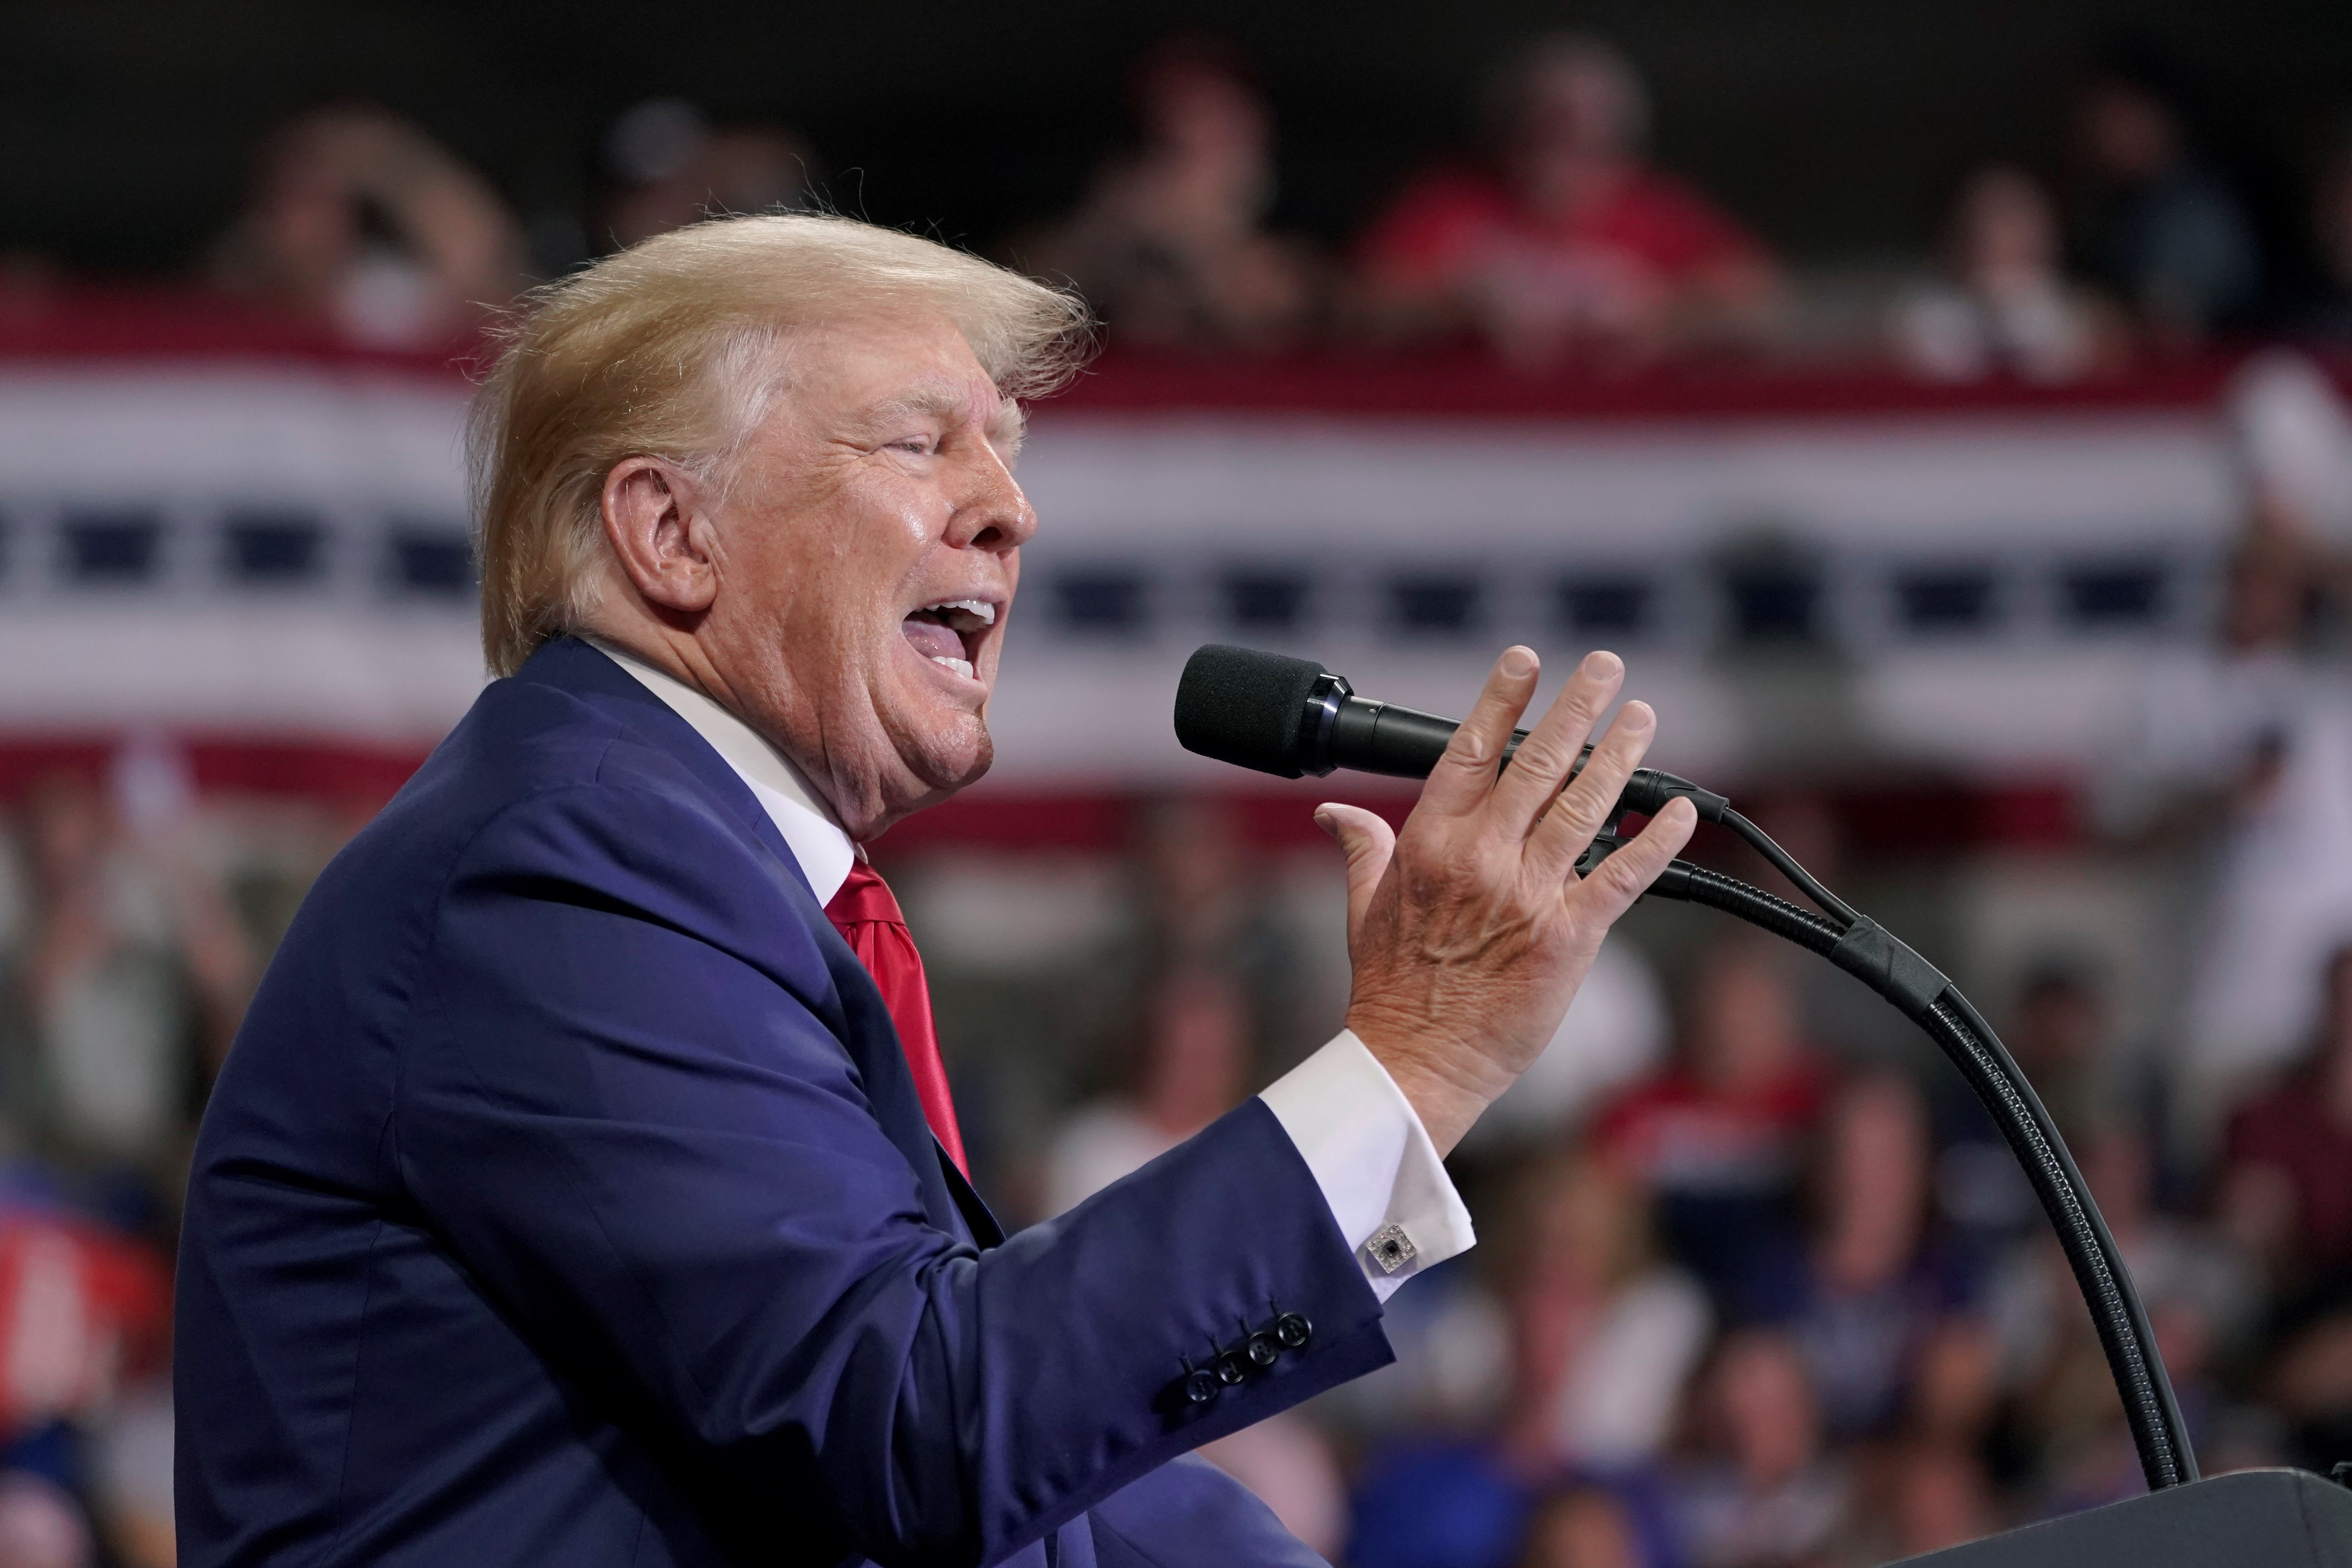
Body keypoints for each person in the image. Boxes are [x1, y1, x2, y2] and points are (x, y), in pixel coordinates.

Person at [172, 212, 1699, 1567]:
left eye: (1006, 454)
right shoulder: (562, 866)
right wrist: (1411, 1062)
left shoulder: (709, 876)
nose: (1008, 512)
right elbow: (910, 1428)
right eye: (918, 443)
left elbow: (1039, 1496)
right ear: (670, 534)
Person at [1352, 34, 1779, 369]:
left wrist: (1656, 312)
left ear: (1621, 141)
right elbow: (1363, 302)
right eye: (1538, 135)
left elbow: (1759, 302)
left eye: (1579, 139)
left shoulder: (1657, 206)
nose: (1555, 159)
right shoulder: (1453, 199)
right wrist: (1462, 307)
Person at [1020, 39, 1320, 351]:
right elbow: (1052, 282)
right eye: (1186, 113)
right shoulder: (1127, 192)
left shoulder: (1296, 203)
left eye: (1216, 111)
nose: (1202, 130)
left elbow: (1287, 302)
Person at [210, 105, 525, 351]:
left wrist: (381, 156)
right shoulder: (228, 295)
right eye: (294, 200)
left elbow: (486, 278)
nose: (315, 222)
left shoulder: (379, 299)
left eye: (328, 201)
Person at [2069, 63, 2260, 345]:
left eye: (2119, 115)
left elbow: (2174, 326)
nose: (2102, 133)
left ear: (2159, 115)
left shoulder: (2197, 210)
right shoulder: (2120, 206)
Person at [1891, 164, 2120, 383]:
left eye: (2018, 213)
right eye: (1988, 215)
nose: (2002, 229)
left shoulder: (2089, 316)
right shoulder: (1921, 317)